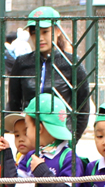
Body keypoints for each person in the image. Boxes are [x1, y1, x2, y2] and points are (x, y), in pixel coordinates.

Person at [5, 7, 91, 135]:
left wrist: (71, 140)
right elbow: (14, 104)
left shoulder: (72, 63)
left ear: (58, 31)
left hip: (60, 139)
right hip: (30, 138)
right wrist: (21, 134)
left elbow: (82, 108)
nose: (39, 38)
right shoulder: (22, 63)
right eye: (34, 32)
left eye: (45, 32)